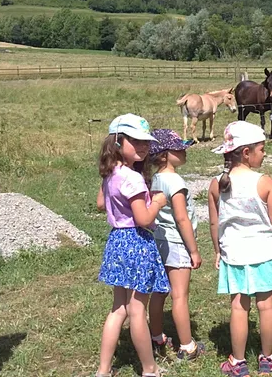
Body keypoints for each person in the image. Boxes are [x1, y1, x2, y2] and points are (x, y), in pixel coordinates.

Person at [94, 114, 170, 377]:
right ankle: (150, 369)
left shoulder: (110, 173)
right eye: (135, 141)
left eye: (145, 142)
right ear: (118, 142)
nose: (143, 147)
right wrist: (158, 202)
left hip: (117, 242)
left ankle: (103, 370)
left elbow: (101, 204)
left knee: (119, 309)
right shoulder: (133, 178)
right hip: (136, 242)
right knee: (138, 310)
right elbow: (145, 219)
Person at [207, 121, 272, 376]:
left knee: (239, 307)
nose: (264, 154)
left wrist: (218, 250)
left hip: (234, 252)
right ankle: (267, 359)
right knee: (267, 305)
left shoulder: (216, 184)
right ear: (246, 152)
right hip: (264, 251)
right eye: (262, 149)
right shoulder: (264, 182)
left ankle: (238, 363)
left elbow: (214, 222)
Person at [146, 129, 206, 362]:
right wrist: (193, 250)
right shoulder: (175, 181)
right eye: (178, 148)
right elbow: (182, 218)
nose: (184, 151)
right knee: (180, 295)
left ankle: (156, 337)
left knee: (160, 291)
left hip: (159, 241)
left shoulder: (156, 179)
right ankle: (187, 346)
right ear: (163, 155)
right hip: (177, 243)